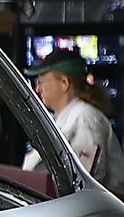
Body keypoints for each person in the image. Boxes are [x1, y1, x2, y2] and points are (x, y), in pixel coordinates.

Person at [23, 48, 124, 195]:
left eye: (41, 81)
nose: (38, 88)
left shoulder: (85, 117)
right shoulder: (63, 117)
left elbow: (87, 181)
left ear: (64, 83)